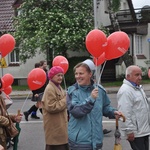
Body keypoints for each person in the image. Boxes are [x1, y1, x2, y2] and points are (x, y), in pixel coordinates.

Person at [67, 62, 122, 150]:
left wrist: (113, 112)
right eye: (76, 74)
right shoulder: (72, 91)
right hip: (80, 142)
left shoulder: (99, 90)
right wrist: (91, 99)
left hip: (97, 140)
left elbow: (105, 107)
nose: (78, 76)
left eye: (81, 73)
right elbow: (76, 112)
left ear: (90, 74)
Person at [117, 65, 150, 150]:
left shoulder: (138, 88)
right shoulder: (126, 91)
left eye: (140, 75)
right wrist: (129, 131)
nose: (140, 78)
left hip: (143, 130)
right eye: (137, 75)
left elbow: (143, 104)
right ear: (128, 76)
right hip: (136, 132)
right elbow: (124, 112)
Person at [42, 66, 68, 150]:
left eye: (61, 75)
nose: (60, 77)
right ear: (52, 76)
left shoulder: (57, 86)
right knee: (56, 147)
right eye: (58, 75)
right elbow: (51, 107)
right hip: (54, 128)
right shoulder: (50, 88)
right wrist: (66, 99)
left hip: (60, 126)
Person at [0, 78, 22, 150]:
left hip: (2, 135)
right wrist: (7, 121)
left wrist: (14, 118)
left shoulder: (0, 98)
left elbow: (3, 115)